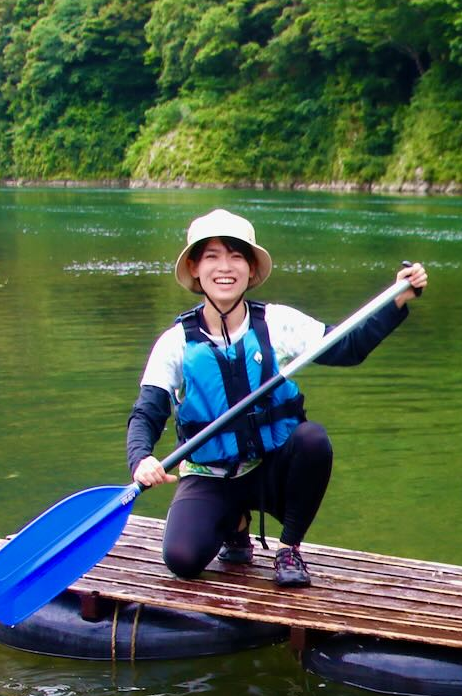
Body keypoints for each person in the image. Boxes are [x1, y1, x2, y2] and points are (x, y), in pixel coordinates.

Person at [126, 208, 428, 589]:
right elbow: (147, 413)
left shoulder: (277, 324)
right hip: (211, 475)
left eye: (236, 256)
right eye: (212, 256)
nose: (225, 267)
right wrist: (141, 458)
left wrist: (398, 299)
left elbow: (348, 347)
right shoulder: (175, 344)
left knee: (313, 440)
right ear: (195, 268)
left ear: (251, 268)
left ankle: (289, 548)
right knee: (182, 560)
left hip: (269, 470)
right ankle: (235, 525)